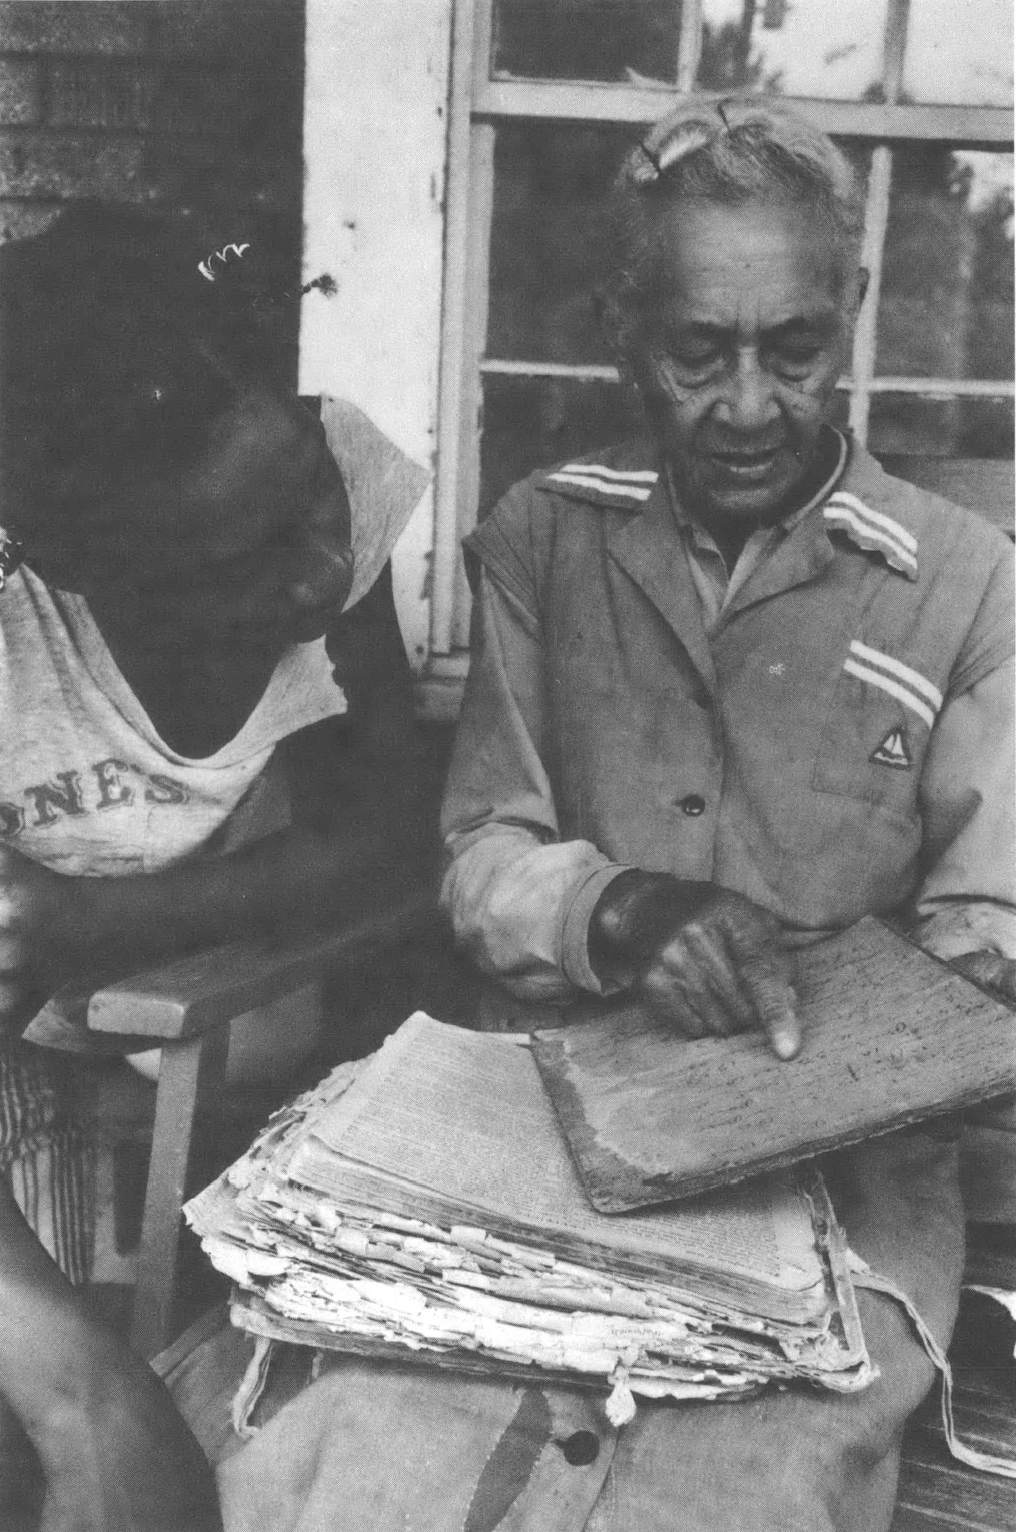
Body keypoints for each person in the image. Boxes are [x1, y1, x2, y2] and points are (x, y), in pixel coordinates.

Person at [437, 98, 1015, 1530]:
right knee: (394, 1449)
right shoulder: (542, 537)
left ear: (857, 315)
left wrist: (875, 1033)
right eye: (698, 352)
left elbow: (991, 925)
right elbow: (477, 855)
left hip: (844, 1184)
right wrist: (621, 910)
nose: (749, 405)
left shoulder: (968, 580)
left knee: (734, 1490)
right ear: (627, 328)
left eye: (797, 350)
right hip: (555, 1128)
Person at [0, 203, 429, 1529]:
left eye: (307, 499)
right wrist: (71, 1376)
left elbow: (390, 833)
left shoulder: (314, 480)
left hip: (234, 1056)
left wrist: (99, 921)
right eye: (241, 561)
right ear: (82, 570)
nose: (318, 576)